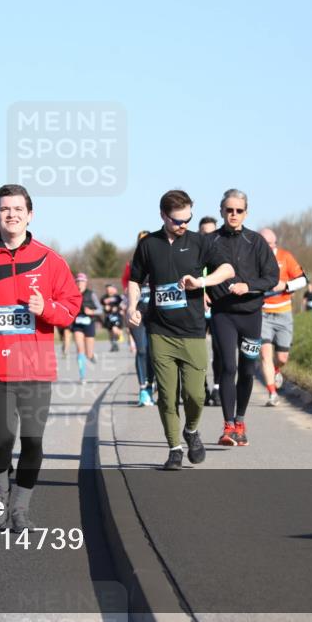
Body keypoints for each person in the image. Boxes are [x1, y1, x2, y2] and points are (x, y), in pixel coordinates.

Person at [0, 184, 81, 531]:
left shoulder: (50, 260)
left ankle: (20, 509)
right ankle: (0, 488)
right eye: (4, 209)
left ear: (30, 214)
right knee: (0, 440)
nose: (11, 215)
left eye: (17, 209)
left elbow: (71, 308)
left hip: (36, 368)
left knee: (33, 443)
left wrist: (48, 309)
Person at [127, 190, 234, 470]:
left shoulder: (200, 242)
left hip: (193, 330)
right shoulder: (148, 244)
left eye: (188, 218)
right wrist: (131, 307)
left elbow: (227, 270)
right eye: (177, 220)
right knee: (167, 394)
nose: (183, 224)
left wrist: (202, 282)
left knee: (195, 395)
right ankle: (174, 448)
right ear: (163, 215)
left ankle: (192, 430)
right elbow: (135, 280)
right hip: (160, 330)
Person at [207, 189, 280, 447]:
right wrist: (206, 290)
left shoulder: (256, 241)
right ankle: (227, 426)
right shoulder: (210, 241)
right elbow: (196, 271)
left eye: (239, 210)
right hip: (223, 314)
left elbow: (272, 277)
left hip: (251, 315)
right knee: (229, 366)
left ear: (246, 213)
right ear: (222, 212)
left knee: (248, 369)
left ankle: (240, 421)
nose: (234, 214)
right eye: (229, 210)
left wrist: (248, 286)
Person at [258, 229, 307, 406]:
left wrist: (284, 285)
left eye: (272, 244)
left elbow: (303, 280)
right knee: (265, 354)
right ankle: (272, 393)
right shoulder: (253, 259)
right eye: (266, 245)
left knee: (282, 357)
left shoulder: (285, 257)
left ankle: (277, 369)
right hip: (262, 313)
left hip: (283, 312)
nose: (270, 248)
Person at [122, 231, 156, 406]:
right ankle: (143, 389)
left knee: (153, 352)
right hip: (138, 311)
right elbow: (126, 285)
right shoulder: (132, 264)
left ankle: (151, 385)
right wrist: (129, 305)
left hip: (156, 313)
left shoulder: (160, 259)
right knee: (142, 350)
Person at [198, 216, 221, 407]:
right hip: (197, 307)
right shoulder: (193, 253)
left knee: (219, 350)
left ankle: (218, 388)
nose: (208, 237)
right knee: (199, 352)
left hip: (217, 306)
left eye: (212, 233)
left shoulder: (221, 252)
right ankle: (202, 388)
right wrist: (200, 293)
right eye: (204, 234)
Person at [71, 273, 102, 384]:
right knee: (80, 350)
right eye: (78, 281)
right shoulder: (72, 294)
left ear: (86, 282)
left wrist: (92, 311)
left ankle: (92, 355)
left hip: (89, 323)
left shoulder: (91, 294)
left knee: (88, 354)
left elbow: (100, 309)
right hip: (77, 324)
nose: (80, 283)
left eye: (82, 281)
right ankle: (82, 376)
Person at [100, 284, 124, 353]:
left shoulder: (118, 297)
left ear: (113, 289)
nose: (109, 291)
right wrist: (105, 308)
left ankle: (120, 335)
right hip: (108, 317)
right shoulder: (104, 298)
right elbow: (102, 305)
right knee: (110, 333)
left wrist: (117, 308)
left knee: (115, 330)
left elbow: (122, 304)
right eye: (107, 289)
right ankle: (114, 345)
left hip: (117, 316)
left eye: (110, 289)